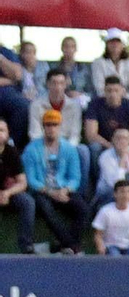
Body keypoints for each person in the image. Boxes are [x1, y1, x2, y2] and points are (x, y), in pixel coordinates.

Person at [20, 109, 87, 254]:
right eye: (48, 125)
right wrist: (50, 192)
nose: (51, 128)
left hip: (62, 189)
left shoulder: (69, 149)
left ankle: (59, 246)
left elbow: (75, 178)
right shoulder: (31, 150)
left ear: (60, 127)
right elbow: (31, 180)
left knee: (82, 208)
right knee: (46, 209)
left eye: (54, 125)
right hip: (42, 190)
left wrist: (66, 190)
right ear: (43, 127)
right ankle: (72, 246)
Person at [28, 70, 88, 176]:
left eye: (61, 83)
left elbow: (75, 134)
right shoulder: (36, 105)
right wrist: (49, 147)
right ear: (48, 84)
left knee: (83, 151)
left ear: (65, 85)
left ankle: (78, 192)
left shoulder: (74, 106)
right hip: (44, 143)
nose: (58, 87)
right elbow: (35, 134)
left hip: (67, 144)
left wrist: (65, 149)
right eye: (54, 83)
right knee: (31, 151)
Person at [83, 76, 129, 166]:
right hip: (105, 145)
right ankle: (96, 179)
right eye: (109, 91)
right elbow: (91, 135)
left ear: (122, 91)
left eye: (116, 91)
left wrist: (128, 149)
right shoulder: (95, 105)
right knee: (94, 148)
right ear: (104, 91)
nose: (113, 94)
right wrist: (111, 147)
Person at [93, 126, 129, 211]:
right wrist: (123, 160)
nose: (121, 141)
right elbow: (115, 183)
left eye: (125, 138)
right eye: (118, 138)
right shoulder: (105, 157)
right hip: (110, 190)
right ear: (112, 140)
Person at [0, 120, 37, 251]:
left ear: (7, 133)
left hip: (7, 193)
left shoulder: (12, 152)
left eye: (1, 130)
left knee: (28, 201)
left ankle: (26, 245)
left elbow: (23, 182)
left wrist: (7, 193)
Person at [92, 179, 129, 256]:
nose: (125, 195)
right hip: (111, 246)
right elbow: (98, 234)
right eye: (122, 192)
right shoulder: (105, 211)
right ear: (115, 194)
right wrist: (101, 248)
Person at [90, 29, 129, 101]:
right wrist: (114, 96)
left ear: (123, 45)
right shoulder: (98, 63)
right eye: (112, 42)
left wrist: (126, 97)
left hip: (127, 100)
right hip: (105, 101)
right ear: (107, 44)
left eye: (118, 42)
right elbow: (99, 89)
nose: (115, 45)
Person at [0, 42, 30, 148]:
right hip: (6, 90)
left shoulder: (7, 52)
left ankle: (12, 145)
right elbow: (13, 80)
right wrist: (9, 81)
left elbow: (17, 75)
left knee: (23, 106)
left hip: (10, 96)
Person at [52, 36, 92, 109]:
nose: (69, 50)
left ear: (76, 49)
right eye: (66, 47)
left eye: (72, 47)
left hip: (80, 101)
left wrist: (80, 94)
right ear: (62, 48)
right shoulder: (54, 68)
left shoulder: (83, 69)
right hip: (60, 100)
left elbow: (91, 91)